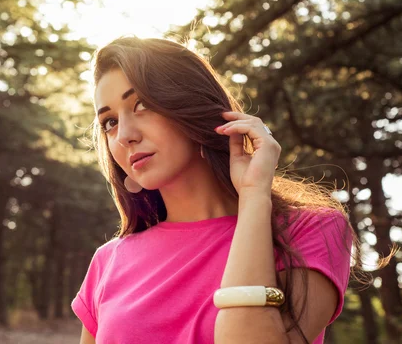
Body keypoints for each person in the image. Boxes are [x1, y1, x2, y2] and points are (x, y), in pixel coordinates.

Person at [70, 36, 374, 344]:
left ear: (192, 105)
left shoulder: (311, 229)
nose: (124, 135)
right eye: (109, 122)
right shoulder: (108, 261)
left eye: (142, 105)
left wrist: (254, 196)